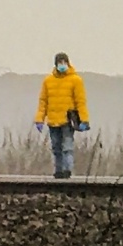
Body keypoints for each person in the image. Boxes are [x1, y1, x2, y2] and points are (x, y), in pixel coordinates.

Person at [35, 51, 90, 179]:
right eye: (60, 63)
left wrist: (84, 119)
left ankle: (67, 170)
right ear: (56, 64)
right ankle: (58, 171)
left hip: (67, 120)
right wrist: (39, 119)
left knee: (67, 147)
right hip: (53, 120)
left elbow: (80, 101)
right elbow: (43, 101)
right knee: (56, 148)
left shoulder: (75, 80)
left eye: (64, 62)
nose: (62, 65)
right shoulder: (48, 81)